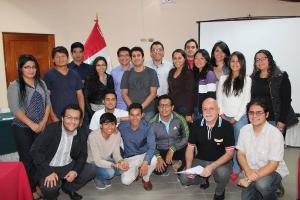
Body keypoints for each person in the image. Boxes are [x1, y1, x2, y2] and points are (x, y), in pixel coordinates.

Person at [7, 54, 51, 199]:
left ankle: (34, 185)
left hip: (40, 127)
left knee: (38, 158)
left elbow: (48, 104)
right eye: (27, 67)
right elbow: (15, 109)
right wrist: (32, 125)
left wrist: (43, 122)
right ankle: (27, 190)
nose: (31, 70)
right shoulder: (15, 85)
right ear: (21, 69)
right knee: (27, 160)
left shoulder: (41, 83)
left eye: (33, 67)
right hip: (22, 128)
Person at [30, 104, 95, 200]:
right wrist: (48, 172)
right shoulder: (51, 129)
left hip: (67, 165)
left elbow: (82, 155)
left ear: (80, 121)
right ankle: (47, 194)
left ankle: (68, 187)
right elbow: (35, 150)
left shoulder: (81, 133)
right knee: (50, 187)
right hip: (49, 165)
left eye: (76, 118)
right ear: (62, 118)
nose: (72, 122)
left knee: (92, 169)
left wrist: (75, 172)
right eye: (69, 117)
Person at [179, 98, 235, 200]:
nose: (208, 112)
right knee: (184, 178)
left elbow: (230, 154)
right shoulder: (196, 124)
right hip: (201, 159)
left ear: (218, 110)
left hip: (221, 160)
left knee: (222, 174)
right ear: (202, 111)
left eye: (211, 109)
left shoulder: (226, 126)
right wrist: (188, 168)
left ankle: (219, 191)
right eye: (205, 109)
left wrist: (211, 167)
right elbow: (190, 148)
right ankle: (204, 179)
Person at [236, 99, 289, 200]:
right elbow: (240, 154)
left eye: (259, 112)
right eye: (251, 113)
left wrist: (250, 178)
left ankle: (274, 185)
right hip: (251, 170)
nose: (254, 116)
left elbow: (273, 164)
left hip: (273, 170)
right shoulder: (244, 130)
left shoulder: (275, 134)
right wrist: (248, 171)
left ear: (267, 114)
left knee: (262, 184)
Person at [217, 51, 251, 181]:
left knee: (238, 144)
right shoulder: (223, 78)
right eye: (232, 61)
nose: (235, 64)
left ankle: (236, 168)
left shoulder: (247, 79)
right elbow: (219, 98)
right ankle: (223, 165)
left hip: (240, 118)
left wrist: (235, 119)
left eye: (238, 61)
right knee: (224, 142)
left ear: (242, 63)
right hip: (224, 116)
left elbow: (246, 101)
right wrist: (221, 114)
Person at [250, 49, 298, 132]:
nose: (260, 61)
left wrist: (282, 121)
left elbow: (286, 100)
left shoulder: (281, 76)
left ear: (270, 59)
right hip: (256, 119)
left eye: (263, 58)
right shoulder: (252, 78)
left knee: (274, 145)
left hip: (275, 119)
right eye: (257, 59)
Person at [118, 103, 157, 191]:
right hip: (129, 157)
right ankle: (136, 172)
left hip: (144, 155)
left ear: (142, 115)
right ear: (128, 115)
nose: (135, 118)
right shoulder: (122, 126)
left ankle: (145, 179)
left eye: (137, 115)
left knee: (154, 159)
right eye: (132, 115)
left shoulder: (148, 126)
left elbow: (152, 146)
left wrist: (145, 162)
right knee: (126, 181)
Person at [87, 113, 129, 189]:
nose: (110, 127)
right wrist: (114, 165)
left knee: (122, 169)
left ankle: (104, 176)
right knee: (110, 172)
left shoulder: (117, 134)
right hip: (93, 162)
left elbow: (116, 154)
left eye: (112, 124)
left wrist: (121, 161)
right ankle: (97, 177)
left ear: (115, 125)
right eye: (106, 124)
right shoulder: (93, 136)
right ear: (101, 125)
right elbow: (97, 161)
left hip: (106, 159)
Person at [149, 95, 189, 175]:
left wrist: (172, 149)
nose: (164, 109)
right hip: (161, 149)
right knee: (159, 171)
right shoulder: (152, 122)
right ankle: (172, 162)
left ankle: (176, 162)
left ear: (172, 107)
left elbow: (186, 136)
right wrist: (158, 157)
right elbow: (150, 142)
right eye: (161, 106)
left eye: (167, 106)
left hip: (177, 147)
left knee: (190, 153)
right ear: (158, 107)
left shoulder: (180, 118)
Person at [44, 46, 85, 123]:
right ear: (53, 59)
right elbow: (46, 97)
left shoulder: (74, 74)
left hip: (74, 116)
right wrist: (52, 115)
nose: (61, 59)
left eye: (63, 56)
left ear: (67, 58)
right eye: (57, 57)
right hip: (57, 116)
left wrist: (81, 115)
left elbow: (80, 95)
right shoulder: (49, 74)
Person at [121, 46, 159, 121]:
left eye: (138, 55)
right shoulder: (127, 73)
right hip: (131, 112)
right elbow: (124, 94)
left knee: (148, 132)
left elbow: (153, 93)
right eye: (133, 56)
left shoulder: (151, 72)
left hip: (148, 111)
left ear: (143, 57)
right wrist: (133, 109)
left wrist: (140, 108)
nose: (136, 58)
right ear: (131, 59)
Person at [168, 49, 194, 123]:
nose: (177, 60)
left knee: (184, 132)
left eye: (179, 58)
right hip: (173, 108)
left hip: (184, 108)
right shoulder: (171, 72)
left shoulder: (188, 73)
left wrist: (189, 113)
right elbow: (170, 90)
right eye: (175, 58)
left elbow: (190, 94)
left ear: (184, 59)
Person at [193, 49, 218, 120]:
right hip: (196, 110)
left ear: (206, 60)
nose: (198, 61)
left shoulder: (210, 74)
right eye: (196, 58)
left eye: (202, 58)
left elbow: (211, 96)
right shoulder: (195, 74)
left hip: (204, 111)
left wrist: (207, 112)